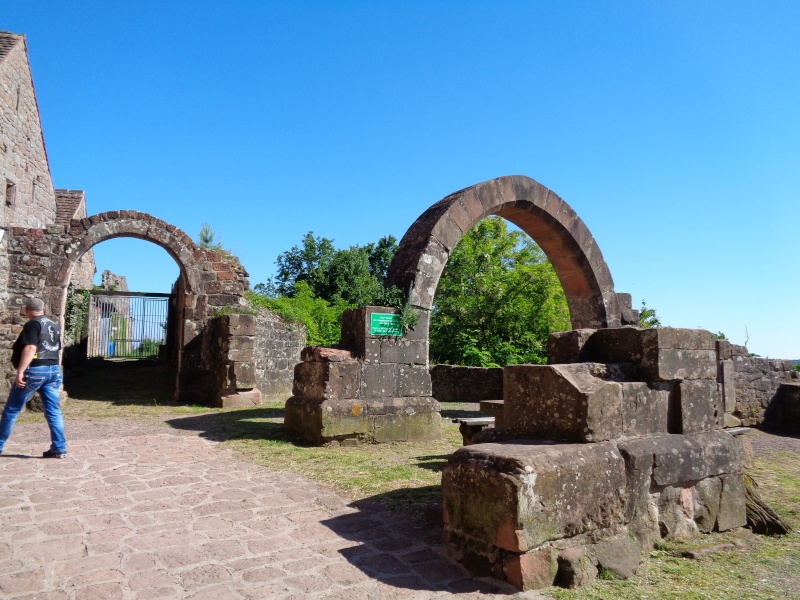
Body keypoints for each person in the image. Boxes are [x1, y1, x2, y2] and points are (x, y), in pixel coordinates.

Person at [0, 297, 67, 458]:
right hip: (53, 370)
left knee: (12, 410)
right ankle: (59, 448)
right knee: (53, 411)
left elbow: (30, 347)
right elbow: (58, 347)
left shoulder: (32, 324)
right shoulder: (54, 325)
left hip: (36, 369)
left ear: (26, 310)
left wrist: (21, 371)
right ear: (43, 309)